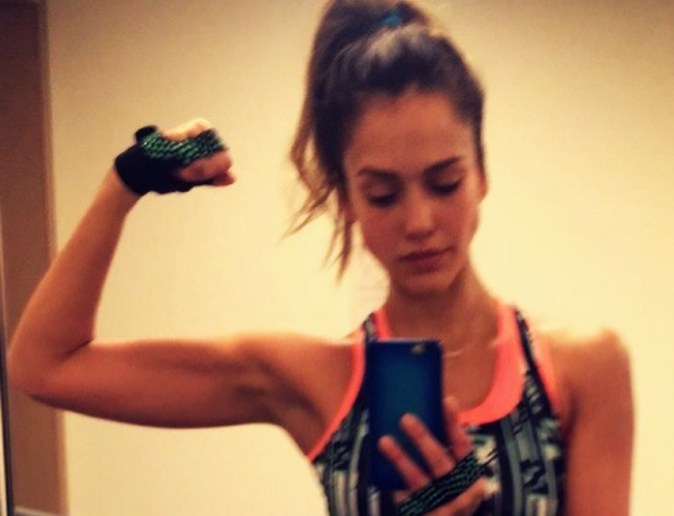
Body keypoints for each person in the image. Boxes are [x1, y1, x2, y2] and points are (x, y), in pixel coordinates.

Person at [8, 0, 634, 514]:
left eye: (445, 183)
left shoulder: (580, 369)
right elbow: (44, 366)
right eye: (382, 193)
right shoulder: (313, 380)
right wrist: (126, 181)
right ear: (347, 199)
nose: (419, 221)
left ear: (482, 175)